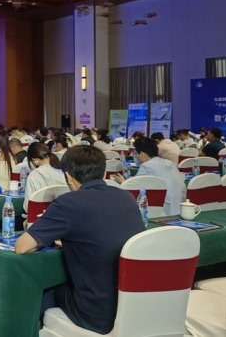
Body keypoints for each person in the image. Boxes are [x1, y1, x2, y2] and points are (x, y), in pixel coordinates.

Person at [15, 146, 146, 334]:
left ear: (68, 177)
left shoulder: (68, 203)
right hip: (131, 307)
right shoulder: (127, 197)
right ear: (103, 172)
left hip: (96, 313)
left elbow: (21, 247)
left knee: (45, 287)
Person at [115, 137, 185, 216]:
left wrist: (123, 181)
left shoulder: (147, 166)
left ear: (142, 154)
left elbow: (133, 187)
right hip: (180, 209)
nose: (136, 157)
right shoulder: (169, 163)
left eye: (136, 154)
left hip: (163, 212)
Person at [23, 142, 65, 214]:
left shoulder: (34, 175)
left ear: (34, 160)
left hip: (41, 216)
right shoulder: (63, 172)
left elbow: (28, 207)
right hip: (63, 214)